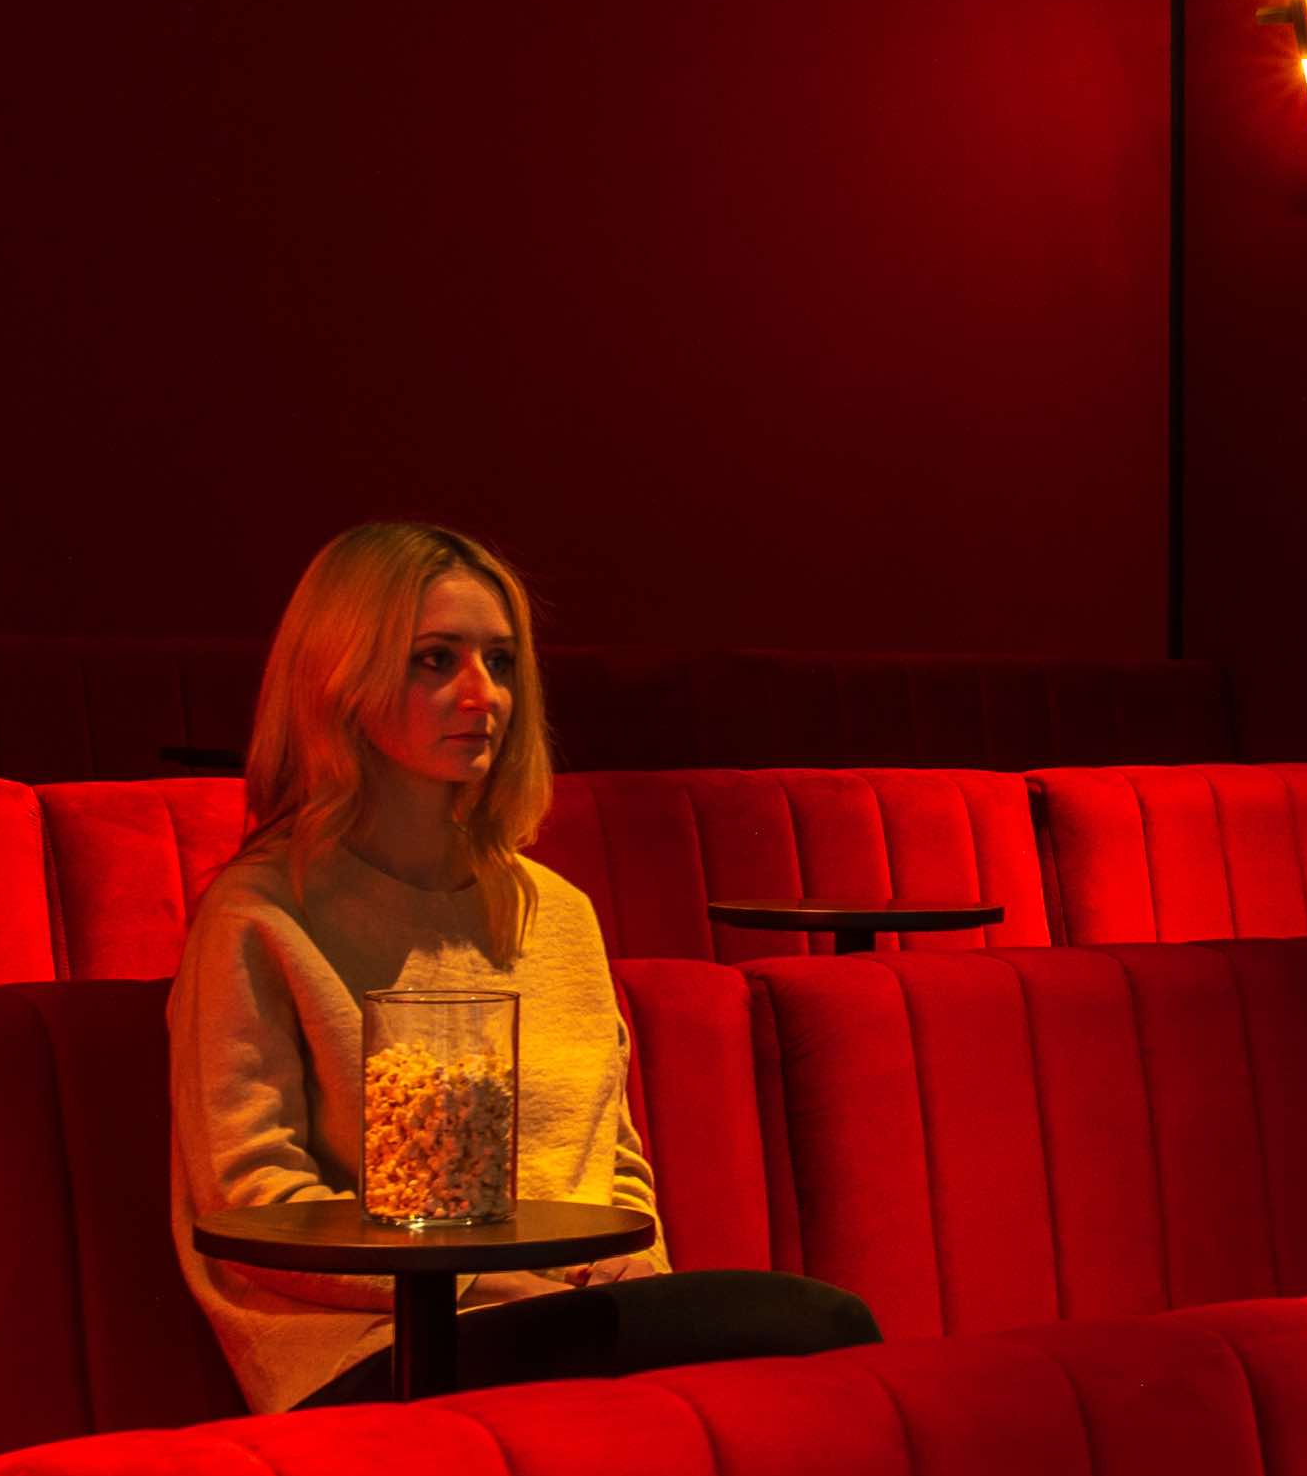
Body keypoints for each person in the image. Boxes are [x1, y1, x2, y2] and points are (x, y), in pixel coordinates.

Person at [171, 520, 878, 1406]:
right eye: (436, 661)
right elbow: (254, 1197)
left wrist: (629, 1266)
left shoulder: (555, 913)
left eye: (500, 663)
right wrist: (483, 1283)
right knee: (812, 1327)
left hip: (565, 1318)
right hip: (377, 1346)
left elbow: (612, 1163)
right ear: (341, 679)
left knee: (814, 1354)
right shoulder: (263, 913)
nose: (483, 697)